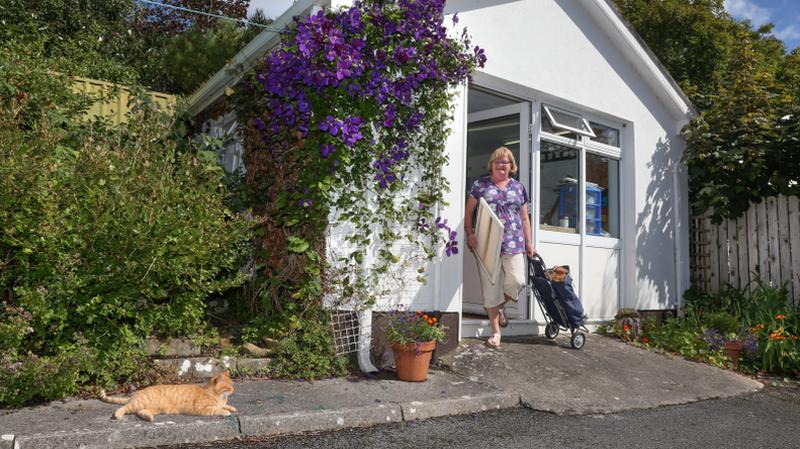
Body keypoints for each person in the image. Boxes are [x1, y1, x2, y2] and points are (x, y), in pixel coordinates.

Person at [465, 147, 535, 349]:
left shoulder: (518, 187)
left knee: (518, 280)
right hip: (487, 242)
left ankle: (500, 306)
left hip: (514, 242)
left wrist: (529, 242)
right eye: (498, 161)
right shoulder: (480, 185)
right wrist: (470, 233)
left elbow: (524, 218)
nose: (502, 165)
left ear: (511, 166)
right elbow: (469, 212)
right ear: (492, 165)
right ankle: (496, 332)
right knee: (490, 288)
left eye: (506, 162)